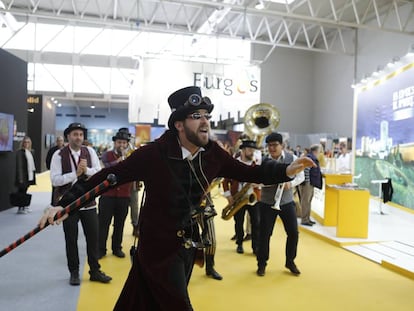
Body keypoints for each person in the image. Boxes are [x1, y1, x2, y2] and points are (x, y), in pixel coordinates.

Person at [40, 86, 315, 310]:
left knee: (137, 303)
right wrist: (62, 205)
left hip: (186, 248)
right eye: (197, 116)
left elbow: (248, 171)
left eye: (206, 115)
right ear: (180, 125)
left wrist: (286, 170)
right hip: (156, 249)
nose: (205, 120)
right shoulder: (153, 154)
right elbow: (106, 177)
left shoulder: (214, 154)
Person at [49, 122, 112, 286]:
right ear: (68, 136)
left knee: (93, 238)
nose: (78, 137)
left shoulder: (90, 151)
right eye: (75, 134)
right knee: (71, 239)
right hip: (67, 205)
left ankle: (95, 271)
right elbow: (55, 180)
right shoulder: (58, 155)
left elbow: (98, 173)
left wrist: (86, 172)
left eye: (81, 134)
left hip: (88, 202)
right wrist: (74, 174)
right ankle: (74, 272)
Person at [256, 132, 305, 277]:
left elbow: (301, 175)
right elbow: (257, 179)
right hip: (267, 202)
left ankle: (290, 261)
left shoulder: (292, 158)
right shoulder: (262, 161)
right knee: (264, 235)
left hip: (286, 201)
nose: (272, 148)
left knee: (293, 233)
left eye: (275, 145)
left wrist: (291, 183)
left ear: (282, 145)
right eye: (269, 145)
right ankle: (262, 264)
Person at [98, 130, 132, 259]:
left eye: (124, 142)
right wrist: (120, 160)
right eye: (119, 142)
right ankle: (100, 249)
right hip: (107, 195)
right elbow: (107, 169)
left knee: (120, 224)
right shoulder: (106, 155)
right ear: (114, 143)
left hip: (124, 195)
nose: (121, 145)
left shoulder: (131, 156)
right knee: (103, 224)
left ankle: (117, 248)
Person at [222, 139, 260, 255]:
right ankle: (239, 243)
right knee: (239, 222)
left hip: (253, 197)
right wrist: (229, 196)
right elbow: (225, 182)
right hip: (238, 198)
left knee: (256, 223)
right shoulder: (233, 164)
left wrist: (259, 183)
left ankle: (256, 247)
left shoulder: (256, 164)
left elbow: (263, 180)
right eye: (249, 150)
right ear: (242, 150)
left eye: (253, 150)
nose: (252, 152)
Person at [299, 144, 323, 226]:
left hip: (309, 183)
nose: (319, 153)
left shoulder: (310, 157)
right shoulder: (310, 158)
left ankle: (307, 218)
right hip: (307, 183)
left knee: (308, 201)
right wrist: (307, 182)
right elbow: (305, 170)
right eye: (319, 151)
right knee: (305, 201)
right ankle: (304, 219)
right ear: (316, 151)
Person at [15, 136, 36, 214]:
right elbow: (19, 166)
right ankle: (20, 208)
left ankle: (24, 206)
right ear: (22, 143)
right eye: (25, 142)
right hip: (22, 176)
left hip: (29, 175)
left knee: (25, 190)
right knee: (21, 191)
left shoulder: (31, 151)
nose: (26, 143)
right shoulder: (20, 152)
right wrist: (20, 178)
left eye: (28, 142)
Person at [45, 135, 65, 204]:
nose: (60, 142)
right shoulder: (52, 150)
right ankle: (53, 204)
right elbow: (48, 160)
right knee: (55, 188)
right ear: (56, 142)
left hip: (65, 173)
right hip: (55, 172)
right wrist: (50, 169)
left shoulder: (66, 150)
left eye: (61, 141)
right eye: (59, 141)